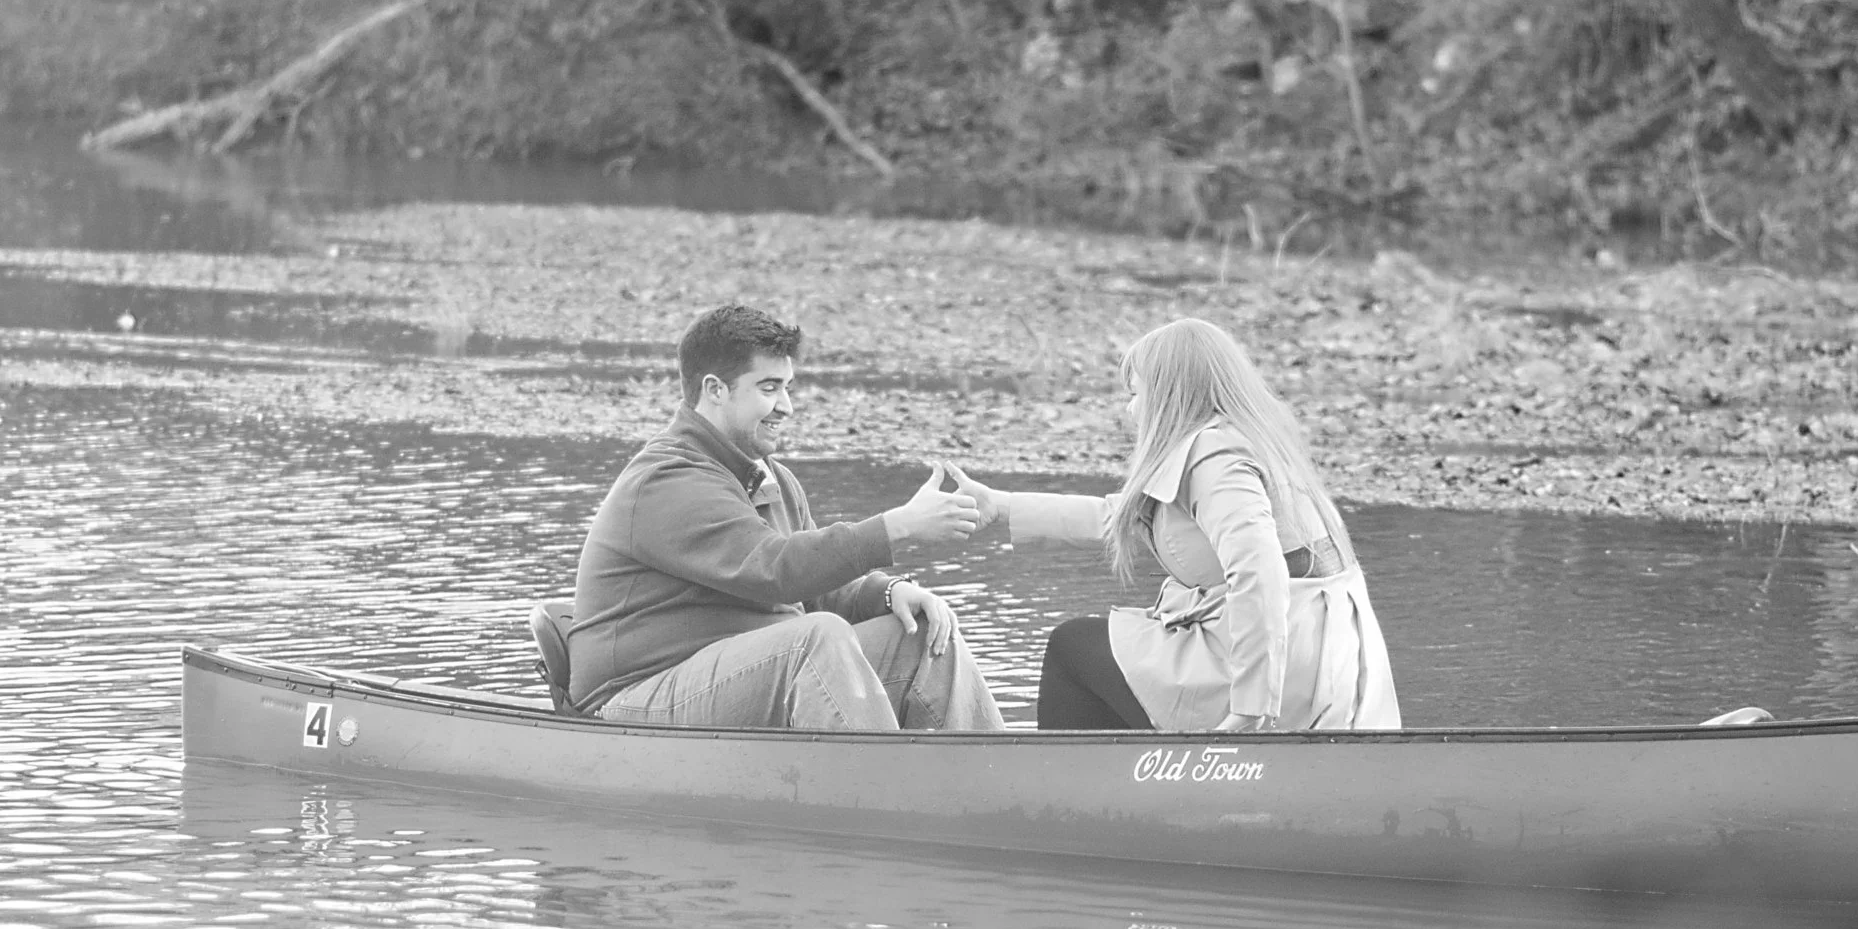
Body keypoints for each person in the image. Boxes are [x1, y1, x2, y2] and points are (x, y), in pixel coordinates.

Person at [567, 304, 1006, 733]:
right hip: (635, 698)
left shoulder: (767, 476)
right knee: (815, 639)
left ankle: (994, 773)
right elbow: (775, 570)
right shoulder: (667, 480)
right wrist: (899, 525)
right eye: (769, 388)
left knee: (923, 635)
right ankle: (883, 780)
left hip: (738, 674)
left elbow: (813, 590)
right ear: (715, 389)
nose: (787, 406)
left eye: (787, 387)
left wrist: (889, 592)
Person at [951, 317, 1398, 733]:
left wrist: (1250, 704)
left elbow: (1259, 573)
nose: (1132, 410)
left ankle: (1067, 784)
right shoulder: (1246, 437)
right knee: (1105, 653)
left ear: (1170, 395)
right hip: (1318, 656)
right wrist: (1000, 505)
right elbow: (1119, 516)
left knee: (1071, 648)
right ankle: (1135, 779)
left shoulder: (1214, 457)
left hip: (1286, 671)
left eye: (1136, 393)